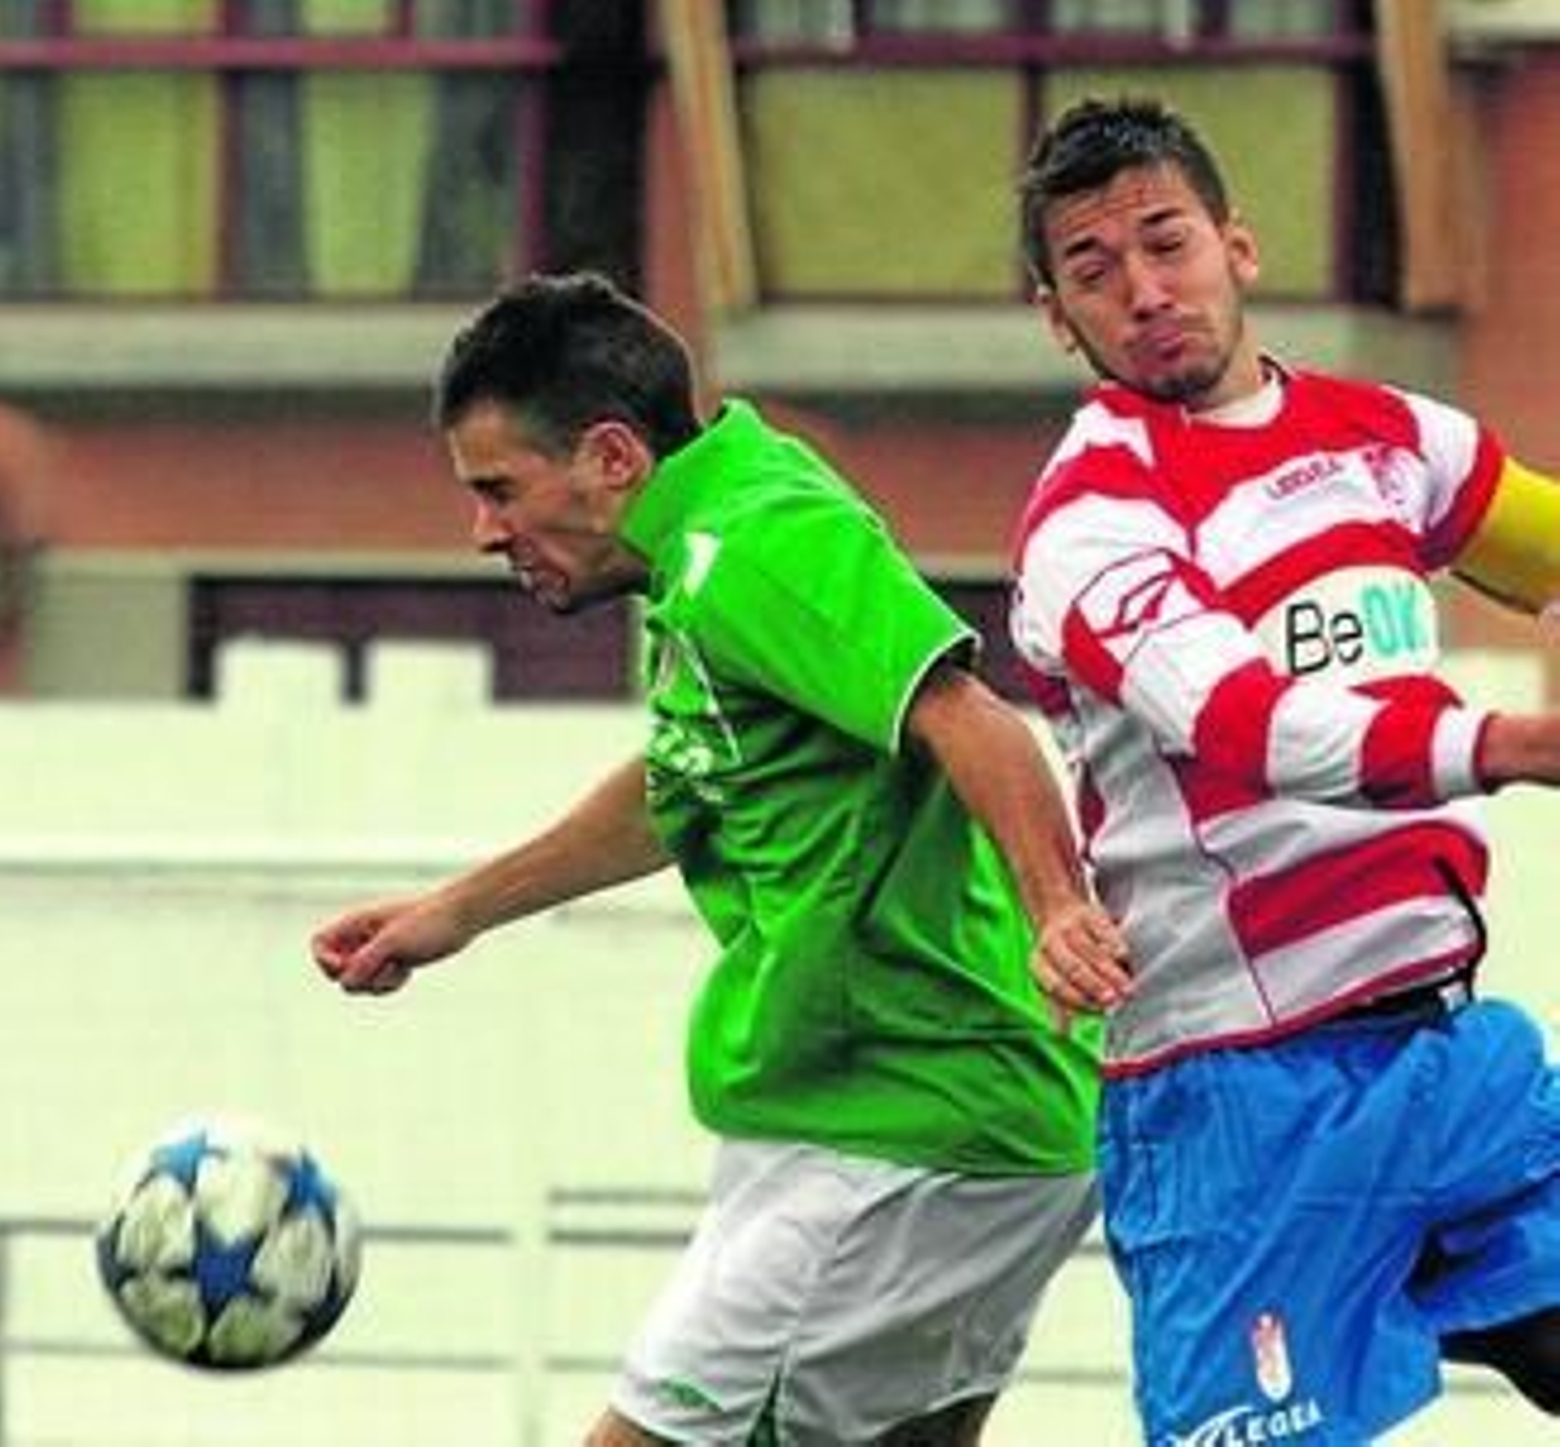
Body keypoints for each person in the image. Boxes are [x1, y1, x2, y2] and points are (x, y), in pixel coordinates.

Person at [310, 272, 1125, 1446]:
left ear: (610, 457)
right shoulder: (712, 526)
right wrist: (458, 909)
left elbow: (970, 716)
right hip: (911, 1113)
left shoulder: (750, 545)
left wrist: (1058, 911)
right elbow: (687, 777)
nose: (484, 531)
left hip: (902, 1122)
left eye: (499, 489)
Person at [1010, 94, 1560, 1444]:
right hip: (1236, 1097)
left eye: (1167, 242)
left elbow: (1547, 539)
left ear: (1236, 246)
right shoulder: (1090, 519)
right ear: (1057, 318)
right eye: (1095, 270)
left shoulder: (1390, 438)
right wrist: (1503, 743)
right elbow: (1245, 721)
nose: (1145, 290)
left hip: (1445, 1054)